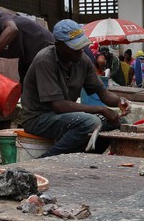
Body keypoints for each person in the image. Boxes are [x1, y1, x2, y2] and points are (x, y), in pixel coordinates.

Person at [19, 19, 130, 157]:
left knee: (118, 122)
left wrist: (119, 101)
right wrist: (101, 109)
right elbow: (58, 105)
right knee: (90, 122)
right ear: (58, 45)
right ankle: (46, 160)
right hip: (38, 119)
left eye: (82, 46)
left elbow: (102, 93)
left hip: (62, 116)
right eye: (75, 47)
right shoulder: (45, 60)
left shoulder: (82, 60)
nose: (80, 50)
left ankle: (85, 157)